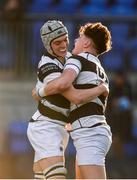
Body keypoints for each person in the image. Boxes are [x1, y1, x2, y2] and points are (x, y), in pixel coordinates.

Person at [27, 20, 109, 179]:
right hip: (46, 125)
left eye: (66, 39)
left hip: (61, 129)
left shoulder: (72, 58)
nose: (64, 44)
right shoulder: (48, 63)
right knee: (57, 175)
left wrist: (40, 92)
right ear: (48, 44)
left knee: (42, 176)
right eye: (57, 42)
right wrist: (41, 91)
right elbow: (73, 95)